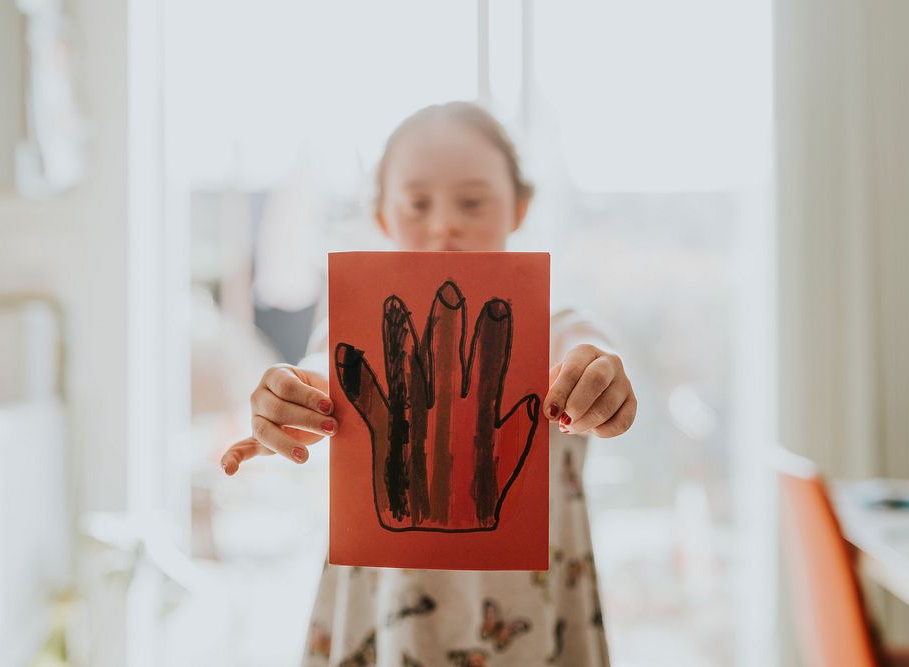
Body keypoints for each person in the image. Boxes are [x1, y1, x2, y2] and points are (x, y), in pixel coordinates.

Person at [221, 102, 637, 666]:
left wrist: (600, 373)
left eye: (472, 201)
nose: (444, 223)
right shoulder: (358, 323)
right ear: (385, 217)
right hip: (388, 618)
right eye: (418, 204)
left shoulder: (553, 326)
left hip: (531, 624)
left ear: (519, 208)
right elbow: (324, 366)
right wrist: (292, 395)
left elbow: (588, 345)